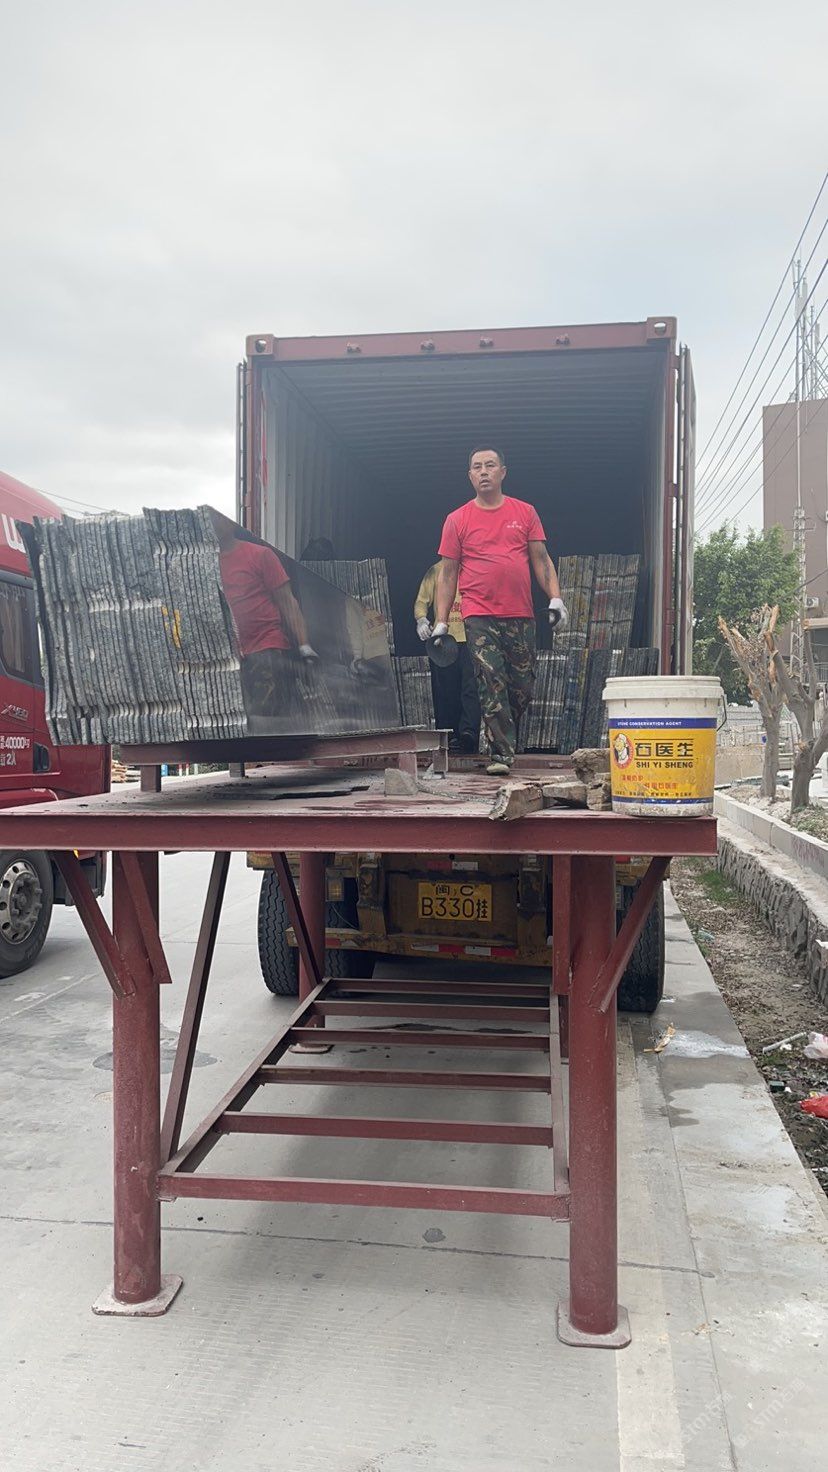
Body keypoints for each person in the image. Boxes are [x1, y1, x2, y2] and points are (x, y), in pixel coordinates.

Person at [434, 447, 568, 776]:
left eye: (490, 465)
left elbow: (541, 559)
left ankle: (500, 735)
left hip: (520, 614)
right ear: (470, 476)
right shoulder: (457, 519)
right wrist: (440, 622)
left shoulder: (525, 512)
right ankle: (501, 754)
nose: (483, 471)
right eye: (477, 467)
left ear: (502, 472)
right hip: (478, 614)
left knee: (521, 686)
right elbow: (447, 574)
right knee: (490, 679)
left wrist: (555, 598)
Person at [210, 512, 318, 717]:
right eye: (212, 518)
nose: (216, 522)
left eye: (220, 517)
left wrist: (305, 647)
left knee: (266, 718)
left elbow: (287, 602)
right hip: (228, 658)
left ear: (233, 522)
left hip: (266, 650)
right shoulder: (204, 565)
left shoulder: (259, 555)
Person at [413, 562, 480, 752]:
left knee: (471, 689)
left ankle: (468, 735)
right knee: (445, 691)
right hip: (443, 641)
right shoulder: (436, 570)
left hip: (472, 638)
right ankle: (448, 736)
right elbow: (421, 600)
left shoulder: (475, 566)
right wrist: (421, 619)